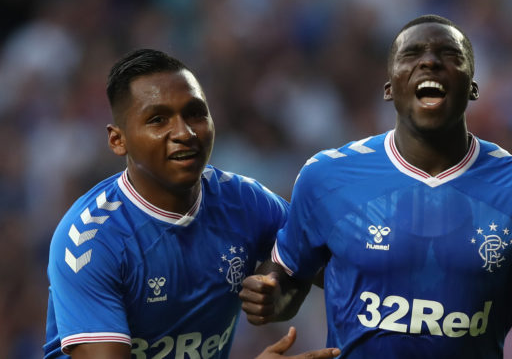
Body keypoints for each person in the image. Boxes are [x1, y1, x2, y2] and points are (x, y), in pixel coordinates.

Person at [239, 15, 512, 358]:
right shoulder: (327, 176)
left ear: (473, 87)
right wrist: (271, 297)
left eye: (449, 55)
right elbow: (289, 279)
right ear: (390, 87)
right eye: (412, 54)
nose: (430, 62)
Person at [43, 48, 340, 359]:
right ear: (119, 140)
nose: (184, 133)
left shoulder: (245, 201)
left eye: (195, 113)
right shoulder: (89, 241)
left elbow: (330, 264)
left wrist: (278, 289)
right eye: (158, 120)